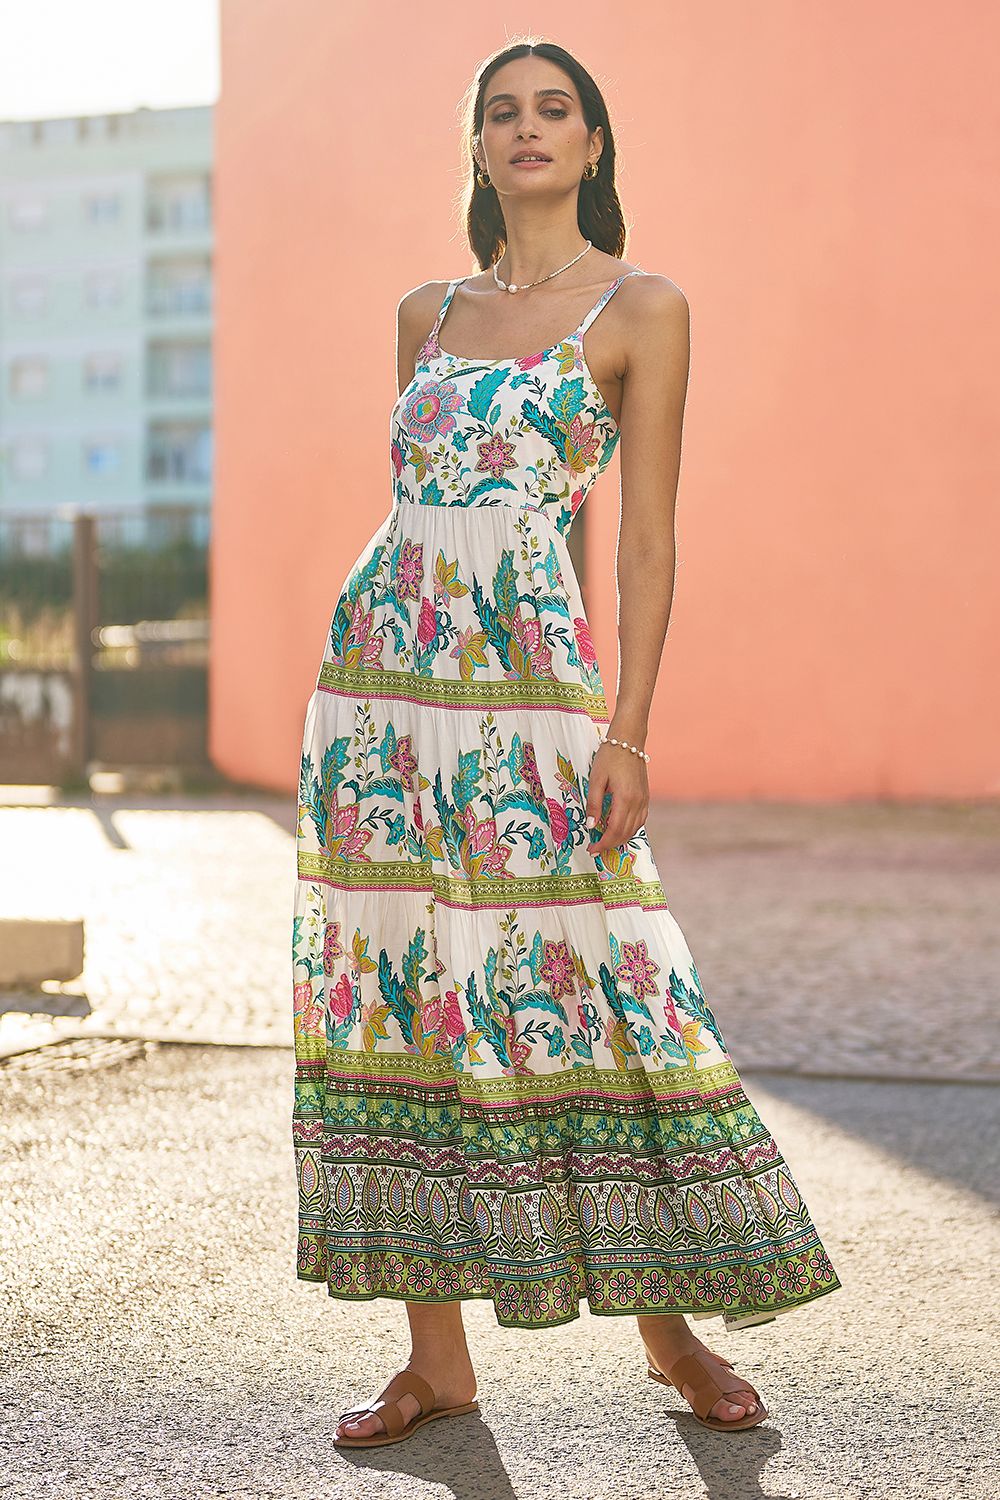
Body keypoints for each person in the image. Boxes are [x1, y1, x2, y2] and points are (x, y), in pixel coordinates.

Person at [291, 37, 842, 1449]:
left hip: (535, 690)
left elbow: (642, 535)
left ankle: (668, 1331)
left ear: (593, 144)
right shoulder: (424, 310)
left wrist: (627, 728)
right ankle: (436, 1362)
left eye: (554, 111)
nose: (527, 131)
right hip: (382, 697)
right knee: (403, 995)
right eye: (501, 114)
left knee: (588, 980)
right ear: (477, 149)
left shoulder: (644, 308)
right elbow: (413, 512)